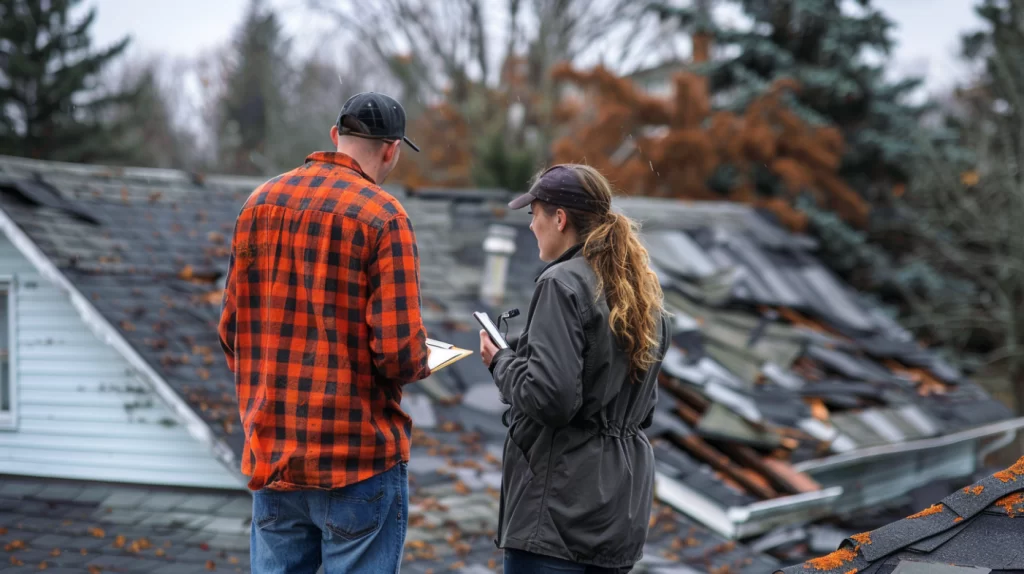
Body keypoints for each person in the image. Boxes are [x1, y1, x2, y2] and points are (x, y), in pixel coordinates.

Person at [218, 92, 432, 574]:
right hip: (356, 461)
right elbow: (399, 355)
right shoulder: (385, 217)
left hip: (274, 458)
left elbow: (233, 332)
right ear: (392, 149)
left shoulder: (259, 204)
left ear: (336, 136)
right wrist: (425, 357)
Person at [479, 164, 672, 574]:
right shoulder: (642, 290)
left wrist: (500, 362)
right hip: (620, 513)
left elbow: (552, 399)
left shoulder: (561, 283)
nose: (531, 226)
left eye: (534, 214)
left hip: (557, 516)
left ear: (560, 218)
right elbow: (644, 407)